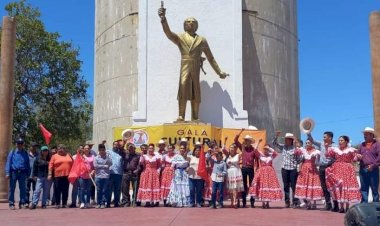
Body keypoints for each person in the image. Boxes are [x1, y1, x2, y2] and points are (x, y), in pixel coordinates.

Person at [158, 6, 228, 122]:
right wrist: (163, 19)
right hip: (185, 65)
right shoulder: (180, 37)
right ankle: (181, 116)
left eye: (193, 22)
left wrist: (219, 72)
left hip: (195, 67)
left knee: (196, 91)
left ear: (196, 25)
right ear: (184, 25)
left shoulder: (202, 40)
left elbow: (211, 58)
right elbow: (169, 34)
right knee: (183, 88)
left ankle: (195, 116)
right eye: (188, 22)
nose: (190, 23)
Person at [326, 135, 361, 213]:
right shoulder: (335, 149)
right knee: (340, 187)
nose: (340, 142)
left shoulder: (351, 150)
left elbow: (355, 158)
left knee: (346, 186)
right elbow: (328, 155)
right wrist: (326, 147)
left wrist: (357, 157)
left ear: (346, 142)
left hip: (347, 169)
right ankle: (341, 207)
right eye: (339, 140)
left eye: (341, 140)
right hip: (337, 169)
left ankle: (347, 207)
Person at [307, 131, 338, 211]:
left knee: (332, 186)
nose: (323, 138)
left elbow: (336, 157)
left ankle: (336, 204)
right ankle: (328, 204)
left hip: (330, 167)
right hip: (321, 167)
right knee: (324, 187)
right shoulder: (321, 144)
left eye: (325, 137)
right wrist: (308, 132)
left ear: (330, 138)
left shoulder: (335, 146)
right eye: (323, 137)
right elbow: (312, 140)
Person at [272, 131, 302, 208]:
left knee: (293, 186)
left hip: (293, 169)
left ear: (290, 140)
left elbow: (300, 159)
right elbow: (274, 144)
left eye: (286, 139)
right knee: (286, 186)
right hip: (284, 169)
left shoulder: (295, 148)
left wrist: (297, 164)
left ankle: (295, 201)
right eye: (285, 139)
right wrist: (276, 136)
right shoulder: (283, 147)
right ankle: (287, 201)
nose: (285, 141)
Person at [249, 144, 283, 209]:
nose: (266, 150)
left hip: (270, 173)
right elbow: (255, 150)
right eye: (265, 149)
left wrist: (269, 148)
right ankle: (263, 202)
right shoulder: (261, 156)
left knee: (268, 186)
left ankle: (267, 202)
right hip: (262, 173)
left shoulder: (271, 156)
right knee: (262, 186)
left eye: (267, 149)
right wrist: (258, 143)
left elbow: (276, 153)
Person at [234, 128, 261, 208]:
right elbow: (235, 140)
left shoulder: (253, 149)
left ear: (250, 142)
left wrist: (257, 168)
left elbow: (257, 158)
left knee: (252, 185)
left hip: (251, 169)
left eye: (248, 140)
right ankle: (244, 203)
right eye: (246, 140)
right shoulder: (242, 148)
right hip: (244, 168)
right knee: (244, 185)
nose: (247, 142)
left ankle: (252, 202)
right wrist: (241, 132)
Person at [294, 139, 323, 210]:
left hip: (312, 168)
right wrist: (295, 145)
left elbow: (318, 161)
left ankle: (315, 203)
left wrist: (315, 158)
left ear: (312, 144)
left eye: (308, 143)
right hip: (305, 169)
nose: (307, 144)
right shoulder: (303, 150)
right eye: (306, 143)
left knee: (313, 184)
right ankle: (309, 203)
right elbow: (296, 152)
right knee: (306, 185)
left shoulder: (316, 151)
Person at [5, 138, 31, 210]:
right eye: (18, 143)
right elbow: (8, 163)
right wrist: (7, 173)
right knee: (12, 188)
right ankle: (11, 203)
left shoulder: (25, 153)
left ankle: (22, 203)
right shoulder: (12, 152)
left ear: (23, 144)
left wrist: (28, 173)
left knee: (23, 189)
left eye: (21, 143)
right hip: (14, 172)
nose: (20, 145)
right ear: (16, 144)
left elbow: (27, 163)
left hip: (22, 173)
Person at [356, 127, 380, 203]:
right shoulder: (362, 145)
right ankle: (364, 206)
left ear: (371, 135)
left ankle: (376, 206)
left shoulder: (377, 144)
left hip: (373, 170)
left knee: (374, 189)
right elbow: (357, 156)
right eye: (364, 134)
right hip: (363, 169)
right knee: (363, 188)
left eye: (366, 134)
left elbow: (379, 157)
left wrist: (373, 166)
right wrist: (358, 157)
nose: (364, 136)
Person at [48, 144, 73, 208]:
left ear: (65, 149)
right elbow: (50, 166)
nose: (61, 150)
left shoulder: (68, 155)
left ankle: (64, 203)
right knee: (57, 190)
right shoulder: (54, 156)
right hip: (57, 176)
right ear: (57, 149)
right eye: (59, 148)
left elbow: (73, 163)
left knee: (65, 190)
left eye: (62, 148)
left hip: (67, 175)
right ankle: (57, 203)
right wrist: (50, 174)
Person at [121, 143, 141, 207]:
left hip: (134, 173)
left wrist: (137, 170)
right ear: (127, 148)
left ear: (134, 148)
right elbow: (121, 149)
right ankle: (126, 202)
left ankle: (134, 201)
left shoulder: (138, 155)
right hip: (126, 173)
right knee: (125, 188)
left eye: (132, 148)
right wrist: (124, 142)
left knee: (135, 188)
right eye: (129, 148)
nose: (131, 149)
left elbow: (140, 164)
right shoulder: (125, 154)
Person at [94, 144, 113, 209]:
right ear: (99, 150)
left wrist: (107, 157)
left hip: (106, 176)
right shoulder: (96, 158)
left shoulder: (107, 157)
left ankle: (102, 203)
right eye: (100, 150)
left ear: (105, 150)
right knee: (99, 190)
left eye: (103, 150)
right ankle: (98, 203)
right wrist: (104, 166)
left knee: (104, 190)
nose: (102, 151)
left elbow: (110, 164)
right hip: (98, 176)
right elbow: (95, 166)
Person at [225, 143, 244, 208]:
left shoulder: (238, 155)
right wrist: (225, 142)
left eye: (233, 148)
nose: (232, 149)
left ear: (235, 149)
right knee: (230, 188)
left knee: (235, 188)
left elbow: (243, 152)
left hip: (236, 172)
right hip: (229, 172)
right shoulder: (227, 156)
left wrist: (243, 145)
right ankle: (231, 202)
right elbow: (222, 149)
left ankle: (235, 202)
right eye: (231, 148)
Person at [107, 140, 124, 208]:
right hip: (111, 173)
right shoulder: (109, 152)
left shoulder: (121, 153)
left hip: (119, 173)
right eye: (115, 144)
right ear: (113, 145)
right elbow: (101, 153)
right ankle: (108, 202)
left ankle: (116, 202)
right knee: (109, 189)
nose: (116, 146)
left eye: (117, 145)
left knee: (118, 189)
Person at [78, 144, 95, 209]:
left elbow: (94, 166)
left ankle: (87, 202)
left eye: (88, 148)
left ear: (89, 149)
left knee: (88, 190)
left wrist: (93, 172)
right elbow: (78, 165)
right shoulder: (81, 156)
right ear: (83, 149)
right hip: (82, 175)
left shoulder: (92, 156)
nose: (87, 149)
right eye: (85, 148)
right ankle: (82, 202)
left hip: (89, 175)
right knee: (82, 189)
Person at [26, 142, 39, 207]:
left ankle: (34, 203)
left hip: (35, 176)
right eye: (33, 146)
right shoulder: (26, 154)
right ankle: (26, 202)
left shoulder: (38, 155)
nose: (34, 148)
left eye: (35, 147)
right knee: (26, 190)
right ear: (30, 147)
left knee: (35, 190)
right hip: (27, 175)